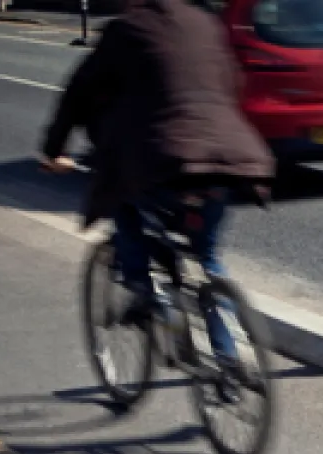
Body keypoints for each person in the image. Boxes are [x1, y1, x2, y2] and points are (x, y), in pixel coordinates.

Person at [38, 0, 274, 365]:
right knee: (207, 256)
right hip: (229, 153)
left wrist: (54, 150)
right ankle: (230, 359)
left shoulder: (125, 30)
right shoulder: (206, 23)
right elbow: (233, 82)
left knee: (125, 201)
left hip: (165, 157)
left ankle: (141, 288)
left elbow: (79, 92)